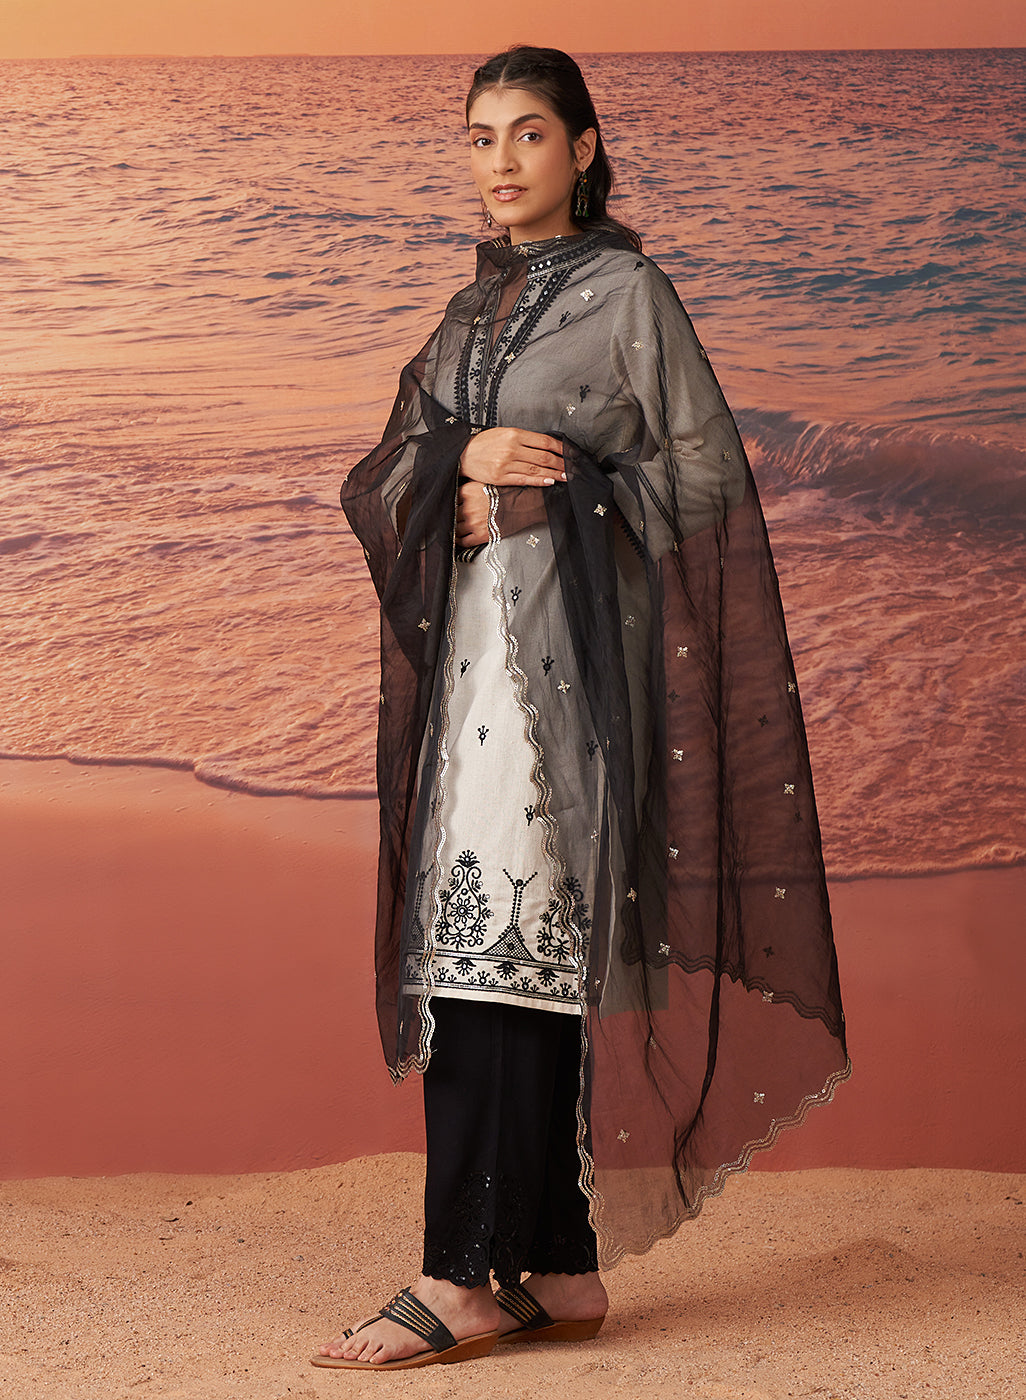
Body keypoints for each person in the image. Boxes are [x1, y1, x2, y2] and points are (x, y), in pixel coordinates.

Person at [314, 45, 849, 1371]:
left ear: (585, 148)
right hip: (470, 674)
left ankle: (457, 1277)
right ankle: (554, 1266)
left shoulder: (628, 296)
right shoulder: (465, 313)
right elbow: (382, 475)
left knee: (491, 948)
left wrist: (554, 497)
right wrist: (462, 466)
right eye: (480, 136)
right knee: (503, 950)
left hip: (567, 679)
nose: (501, 162)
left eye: (529, 134)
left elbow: (709, 479)